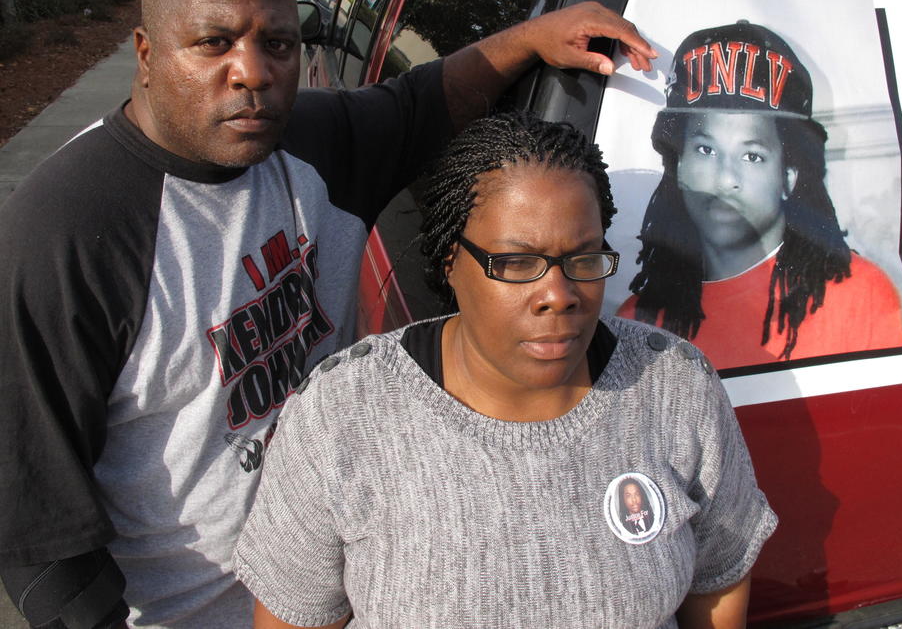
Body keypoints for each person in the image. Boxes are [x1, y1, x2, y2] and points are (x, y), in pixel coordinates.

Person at [0, 0, 656, 629]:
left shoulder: (310, 145)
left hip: (352, 594)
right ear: (147, 52)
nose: (251, 71)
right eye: (213, 43)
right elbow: (34, 520)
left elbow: (423, 102)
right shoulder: (67, 230)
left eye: (277, 44)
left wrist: (532, 38)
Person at [233, 111, 777, 629]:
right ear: (451, 260)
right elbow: (295, 616)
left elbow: (719, 579)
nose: (558, 296)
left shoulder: (673, 385)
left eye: (583, 258)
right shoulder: (343, 412)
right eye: (517, 263)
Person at [618, 20, 902, 370]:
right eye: (706, 149)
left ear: (789, 174)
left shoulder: (859, 293)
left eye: (752, 156)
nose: (726, 180)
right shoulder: (638, 321)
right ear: (678, 164)